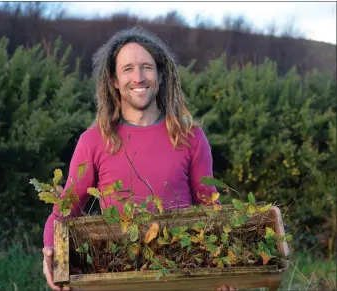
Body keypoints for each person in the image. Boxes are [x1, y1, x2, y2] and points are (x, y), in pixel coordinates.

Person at [42, 26, 236, 291]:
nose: (139, 77)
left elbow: (208, 205)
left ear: (159, 73)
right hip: (116, 277)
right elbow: (65, 209)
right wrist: (51, 248)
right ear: (113, 80)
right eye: (127, 69)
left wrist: (221, 268)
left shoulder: (190, 137)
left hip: (182, 277)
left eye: (146, 67)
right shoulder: (94, 140)